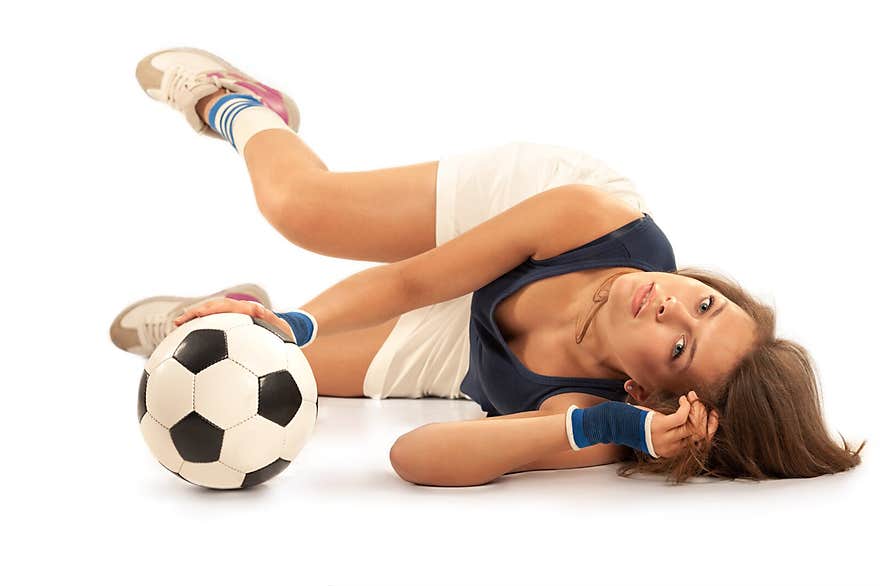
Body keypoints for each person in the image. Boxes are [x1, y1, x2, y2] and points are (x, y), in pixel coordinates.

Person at [111, 47, 863, 487]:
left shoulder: (593, 413)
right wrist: (303, 318)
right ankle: (242, 104)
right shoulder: (595, 218)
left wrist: (610, 426)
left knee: (284, 368)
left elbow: (414, 457)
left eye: (679, 349)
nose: (670, 308)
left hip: (474, 344)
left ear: (648, 391)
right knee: (304, 210)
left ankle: (236, 312)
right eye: (703, 304)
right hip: (531, 230)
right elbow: (413, 281)